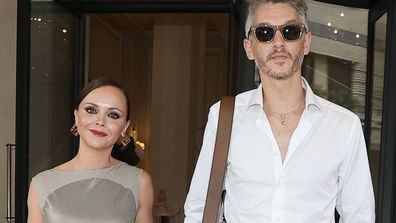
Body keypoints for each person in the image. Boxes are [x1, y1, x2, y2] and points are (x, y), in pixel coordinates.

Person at [184, 0, 375, 222]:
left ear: (306, 42)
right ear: (249, 48)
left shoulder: (344, 125)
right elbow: (199, 210)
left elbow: (359, 216)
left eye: (290, 31)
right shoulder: (224, 117)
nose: (278, 42)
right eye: (264, 32)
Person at [27, 78, 154, 223]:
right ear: (76, 116)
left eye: (113, 115)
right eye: (91, 110)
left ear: (124, 127)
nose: (100, 121)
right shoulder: (41, 184)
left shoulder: (139, 182)